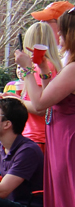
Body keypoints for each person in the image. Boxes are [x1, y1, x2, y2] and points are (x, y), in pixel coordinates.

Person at [16, 6, 75, 207]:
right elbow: (51, 97)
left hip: (67, 142)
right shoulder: (68, 68)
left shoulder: (73, 69)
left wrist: (27, 69)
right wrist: (41, 70)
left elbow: (39, 104)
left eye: (62, 31)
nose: (58, 36)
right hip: (60, 139)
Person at [7, 21, 64, 151]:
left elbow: (40, 107)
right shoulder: (53, 65)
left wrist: (16, 101)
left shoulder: (41, 67)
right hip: (43, 135)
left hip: (36, 136)